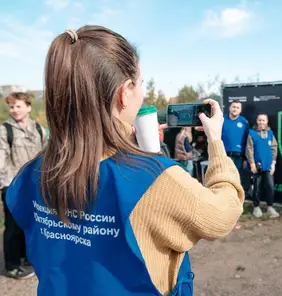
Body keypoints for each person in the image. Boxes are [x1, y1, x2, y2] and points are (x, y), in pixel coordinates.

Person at [6, 26, 244, 296]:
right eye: (141, 83)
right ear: (125, 91)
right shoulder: (154, 178)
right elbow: (221, 216)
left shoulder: (34, 171)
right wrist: (215, 141)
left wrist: (128, 146)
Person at [0, 92, 47, 279]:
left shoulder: (38, 129)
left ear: (28, 107)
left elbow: (45, 154)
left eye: (19, 106)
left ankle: (27, 258)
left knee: (31, 223)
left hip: (34, 185)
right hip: (12, 185)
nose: (15, 110)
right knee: (13, 226)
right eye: (12, 107)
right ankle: (12, 265)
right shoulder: (5, 130)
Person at [246, 113, 279, 218]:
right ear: (257, 121)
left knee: (269, 186)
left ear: (267, 121)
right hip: (256, 165)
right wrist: (252, 164)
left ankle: (270, 206)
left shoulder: (270, 133)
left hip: (268, 165)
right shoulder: (252, 133)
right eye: (260, 120)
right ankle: (256, 207)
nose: (261, 122)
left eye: (263, 120)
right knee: (256, 187)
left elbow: (274, 148)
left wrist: (273, 163)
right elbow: (249, 149)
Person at [222, 100, 249, 173]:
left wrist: (246, 158)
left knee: (237, 179)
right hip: (224, 156)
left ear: (240, 110)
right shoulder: (222, 120)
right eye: (233, 107)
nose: (235, 109)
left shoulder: (244, 122)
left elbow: (248, 141)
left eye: (237, 108)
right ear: (229, 108)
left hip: (239, 157)